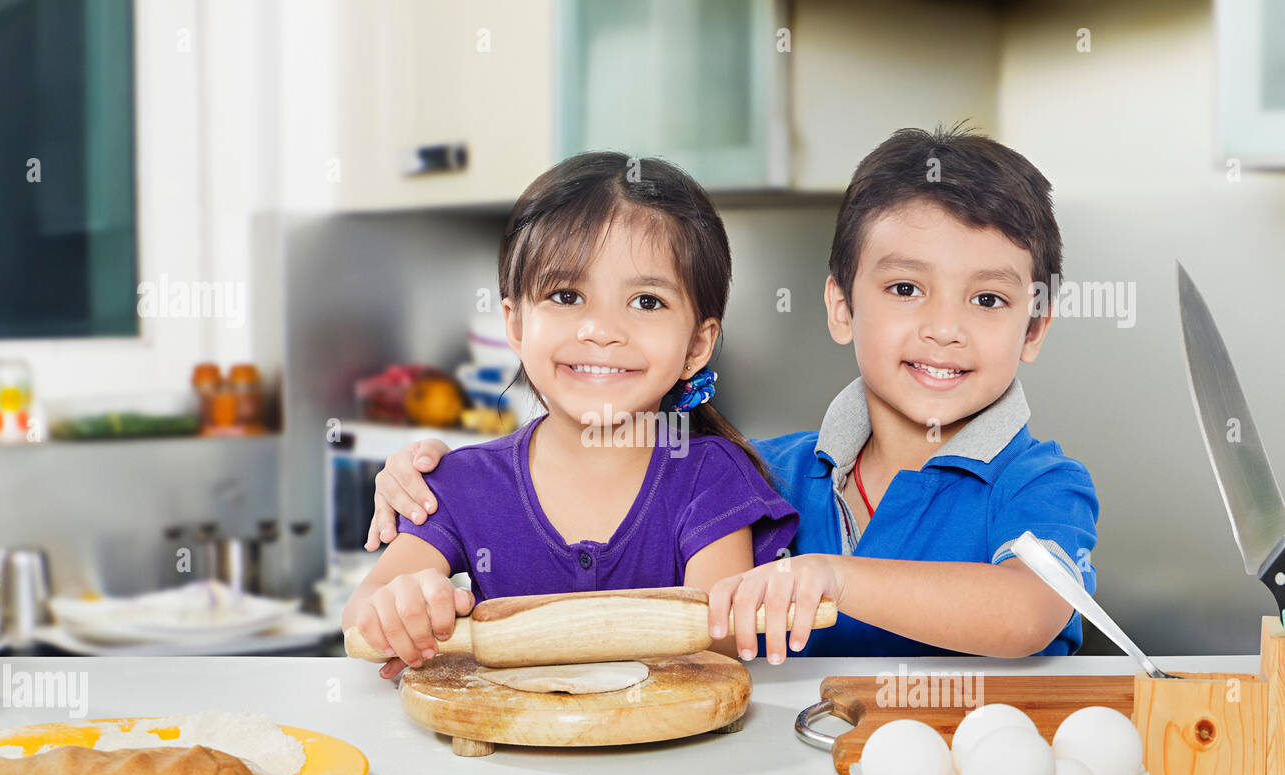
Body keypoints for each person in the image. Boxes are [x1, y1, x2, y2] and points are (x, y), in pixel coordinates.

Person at [366, 124, 1099, 664]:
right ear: (841, 308)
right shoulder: (759, 473)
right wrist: (424, 480)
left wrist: (831, 577)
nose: (944, 329)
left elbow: (1027, 612)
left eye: (989, 301)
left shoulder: (1042, 484)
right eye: (906, 289)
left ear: (1035, 328)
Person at [342, 151, 799, 679]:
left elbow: (717, 646)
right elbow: (361, 615)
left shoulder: (711, 477)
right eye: (566, 295)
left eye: (646, 302)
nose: (601, 330)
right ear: (516, 326)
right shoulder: (461, 482)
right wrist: (399, 607)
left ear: (697, 344)